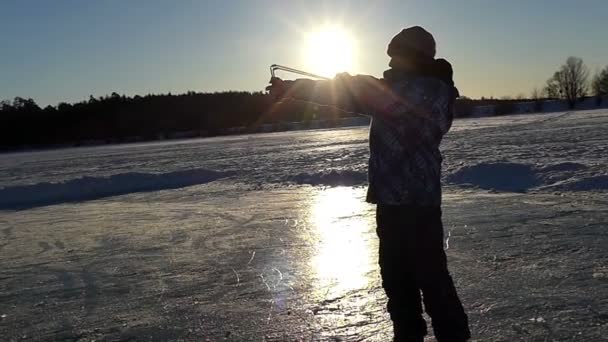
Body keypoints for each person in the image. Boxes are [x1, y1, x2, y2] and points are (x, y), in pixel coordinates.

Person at [267, 26, 471, 342]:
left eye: (397, 57)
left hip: (417, 205)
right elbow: (358, 93)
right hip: (391, 202)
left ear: (414, 57)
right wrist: (294, 88)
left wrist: (349, 83)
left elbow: (367, 94)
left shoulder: (430, 90)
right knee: (397, 283)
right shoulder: (400, 88)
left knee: (432, 282)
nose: (392, 64)